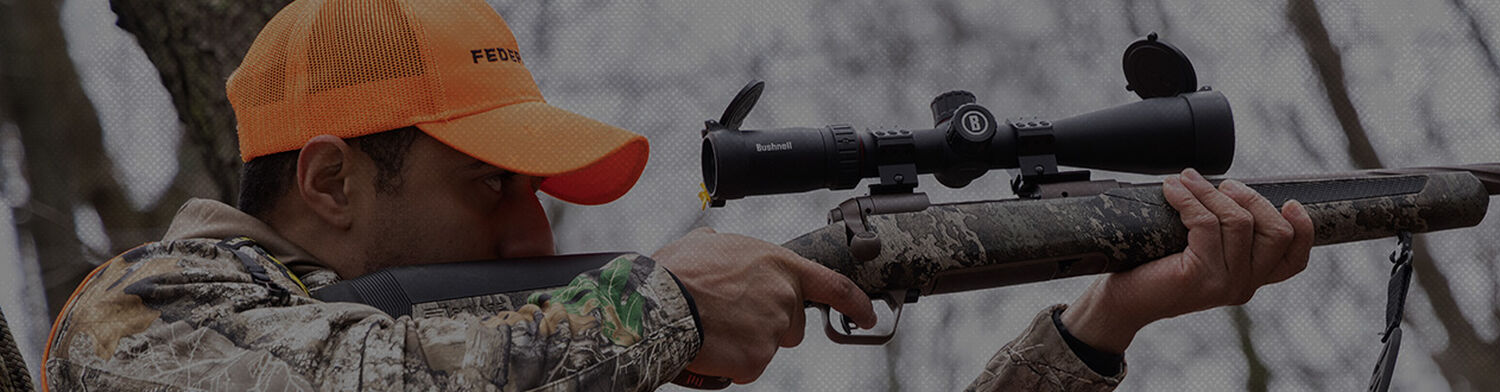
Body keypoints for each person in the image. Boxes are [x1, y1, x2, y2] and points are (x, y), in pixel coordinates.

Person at [40, 0, 1313, 390]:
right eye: (495, 186)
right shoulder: (147, 318)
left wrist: (1096, 329)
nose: (535, 233)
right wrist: (653, 307)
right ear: (326, 176)